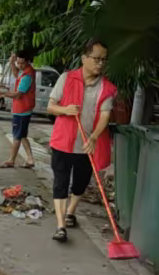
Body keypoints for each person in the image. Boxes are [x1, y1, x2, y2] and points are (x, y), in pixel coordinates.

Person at [47, 39, 117, 243]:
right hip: (62, 142)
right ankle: (60, 226)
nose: (100, 63)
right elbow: (51, 106)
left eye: (104, 60)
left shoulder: (107, 88)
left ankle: (71, 212)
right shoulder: (66, 78)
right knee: (60, 182)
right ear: (84, 58)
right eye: (96, 59)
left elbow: (105, 116)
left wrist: (94, 137)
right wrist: (65, 110)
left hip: (87, 145)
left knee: (80, 183)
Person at [0, 50, 36, 169]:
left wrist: (2, 93)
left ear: (28, 61)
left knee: (17, 136)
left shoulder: (28, 75)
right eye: (18, 63)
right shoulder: (25, 71)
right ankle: (30, 159)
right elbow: (16, 74)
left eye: (21, 63)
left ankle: (11, 160)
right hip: (23, 109)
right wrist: (12, 63)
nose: (19, 65)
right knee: (21, 135)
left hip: (22, 110)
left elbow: (18, 94)